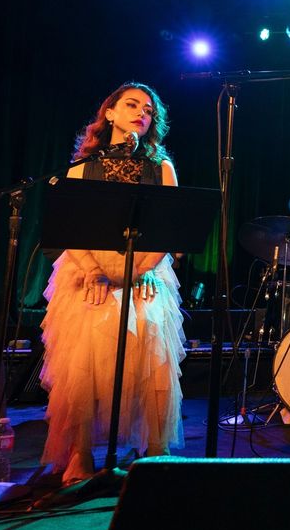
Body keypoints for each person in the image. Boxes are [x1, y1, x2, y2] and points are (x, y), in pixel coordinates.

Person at [39, 82, 185, 485]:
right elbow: (72, 227)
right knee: (84, 358)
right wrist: (90, 269)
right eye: (132, 105)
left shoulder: (161, 166)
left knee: (152, 355)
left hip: (145, 269)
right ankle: (81, 454)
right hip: (90, 268)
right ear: (110, 113)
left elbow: (170, 227)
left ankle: (156, 451)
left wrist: (141, 270)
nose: (142, 113)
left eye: (149, 110)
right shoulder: (84, 165)